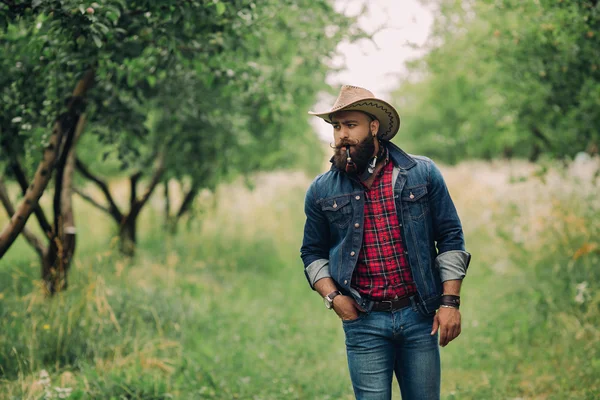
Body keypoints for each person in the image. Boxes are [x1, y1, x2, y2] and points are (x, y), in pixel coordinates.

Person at [300, 85, 471, 400]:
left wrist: (450, 302)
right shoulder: (321, 191)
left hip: (419, 317)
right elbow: (311, 253)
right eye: (337, 127)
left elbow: (450, 237)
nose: (342, 135)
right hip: (363, 321)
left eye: (351, 125)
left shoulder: (422, 174)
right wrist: (333, 297)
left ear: (374, 127)